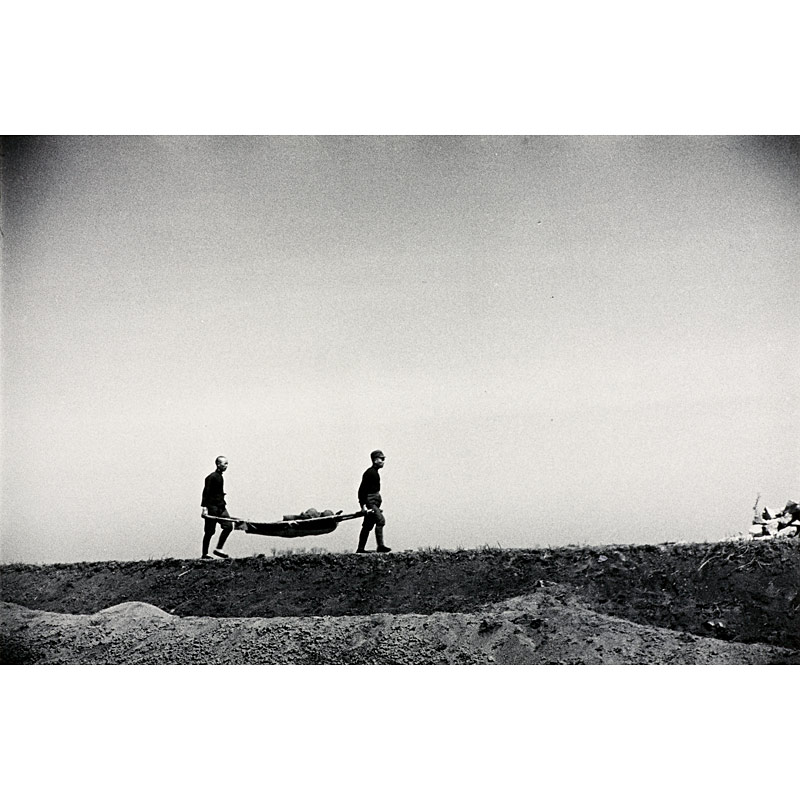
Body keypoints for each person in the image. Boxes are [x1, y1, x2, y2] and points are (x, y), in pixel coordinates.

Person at [356, 450, 391, 553]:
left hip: (374, 503)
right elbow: (362, 490)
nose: (383, 461)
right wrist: (363, 506)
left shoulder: (374, 473)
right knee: (381, 521)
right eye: (382, 459)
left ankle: (360, 548)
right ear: (375, 460)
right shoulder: (370, 473)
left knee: (368, 525)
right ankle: (380, 546)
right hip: (370, 503)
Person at [200, 456, 234, 559]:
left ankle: (219, 548)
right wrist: (204, 508)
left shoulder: (220, 476)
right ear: (218, 464)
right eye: (225, 464)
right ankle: (205, 554)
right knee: (209, 531)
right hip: (212, 507)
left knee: (228, 526)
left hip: (221, 506)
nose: (226, 466)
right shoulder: (211, 477)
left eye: (227, 463)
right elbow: (206, 492)